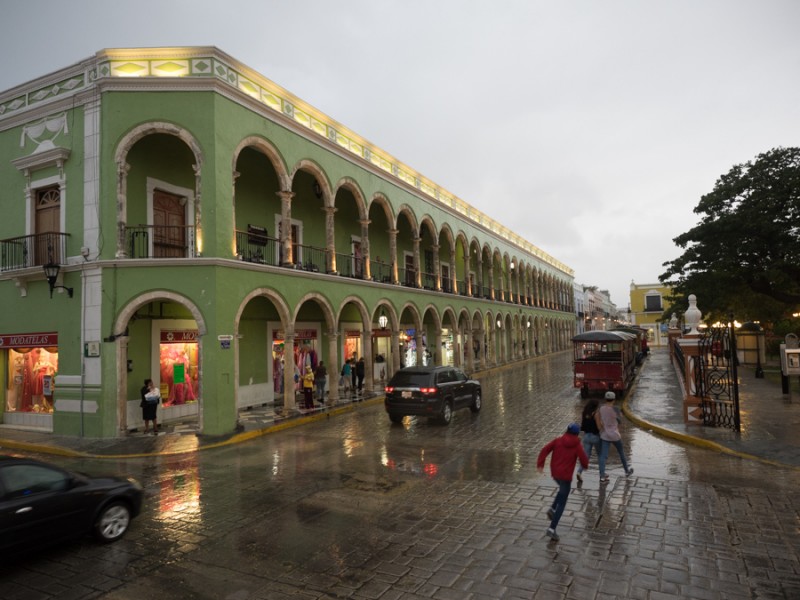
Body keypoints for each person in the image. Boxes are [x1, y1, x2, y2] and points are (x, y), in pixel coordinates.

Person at [537, 423, 588, 541]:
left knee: (562, 491)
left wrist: (540, 464)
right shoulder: (577, 445)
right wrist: (585, 466)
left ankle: (552, 508)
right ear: (576, 434)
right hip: (565, 476)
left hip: (555, 473)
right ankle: (551, 528)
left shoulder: (558, 440)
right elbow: (584, 459)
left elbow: (545, 449)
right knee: (563, 501)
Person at [595, 391, 634, 483]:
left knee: (603, 456)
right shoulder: (616, 409)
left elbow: (598, 419)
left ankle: (602, 476)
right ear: (614, 399)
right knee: (621, 453)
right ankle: (627, 471)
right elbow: (620, 420)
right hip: (615, 435)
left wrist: (602, 426)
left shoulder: (601, 408)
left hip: (604, 435)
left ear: (605, 399)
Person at [576, 398, 601, 482]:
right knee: (601, 455)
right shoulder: (596, 414)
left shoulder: (585, 413)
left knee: (586, 456)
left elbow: (582, 425)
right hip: (595, 437)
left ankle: (579, 471)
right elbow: (598, 427)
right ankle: (602, 474)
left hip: (586, 437)